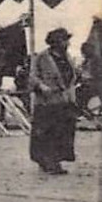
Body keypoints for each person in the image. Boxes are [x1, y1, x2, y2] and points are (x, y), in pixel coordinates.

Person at [29, 27, 79, 175]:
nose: (67, 43)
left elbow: (71, 75)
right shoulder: (41, 57)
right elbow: (32, 76)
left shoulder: (67, 57)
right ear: (56, 42)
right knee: (46, 132)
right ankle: (47, 162)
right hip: (46, 102)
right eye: (64, 40)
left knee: (63, 131)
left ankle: (54, 161)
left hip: (64, 100)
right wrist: (42, 86)